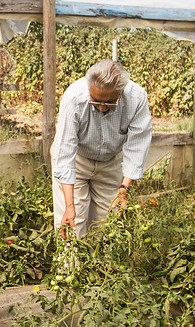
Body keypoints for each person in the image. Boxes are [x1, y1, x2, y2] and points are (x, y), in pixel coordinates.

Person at [51, 59, 152, 238]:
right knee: (72, 225)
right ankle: (69, 266)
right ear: (89, 88)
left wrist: (123, 190)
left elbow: (137, 146)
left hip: (111, 161)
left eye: (110, 102)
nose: (102, 107)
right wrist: (69, 207)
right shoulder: (74, 98)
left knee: (109, 223)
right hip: (77, 160)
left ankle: (101, 265)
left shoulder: (136, 98)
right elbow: (65, 152)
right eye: (96, 101)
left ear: (121, 93)